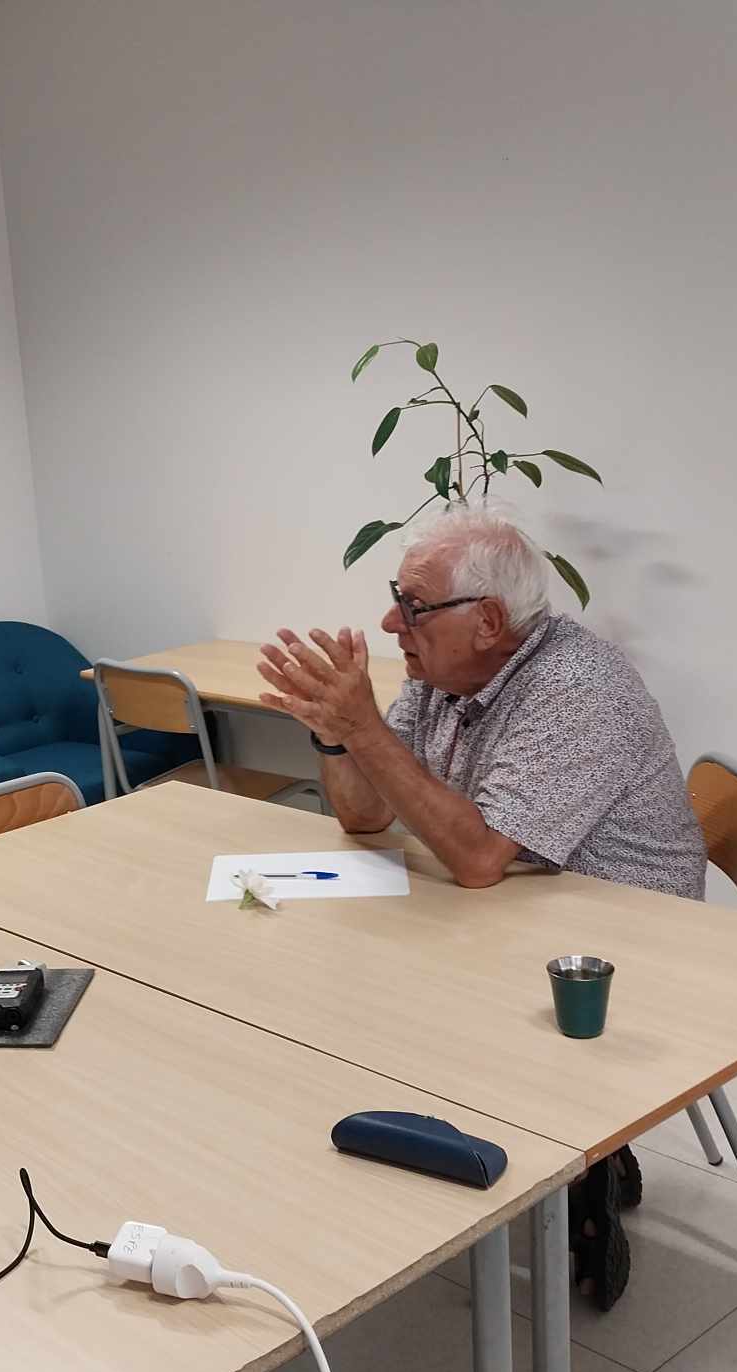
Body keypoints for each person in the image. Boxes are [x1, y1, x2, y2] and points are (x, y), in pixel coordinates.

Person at [254, 509, 708, 1309]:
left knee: (415, 991)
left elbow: (476, 859)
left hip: (629, 944)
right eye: (397, 599)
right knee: (359, 972)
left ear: (489, 621)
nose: (391, 622)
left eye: (414, 607)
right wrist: (336, 735)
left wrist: (364, 727)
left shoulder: (577, 687)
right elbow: (366, 816)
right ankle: (551, 1156)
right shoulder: (442, 677)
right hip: (523, 907)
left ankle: (583, 1162)